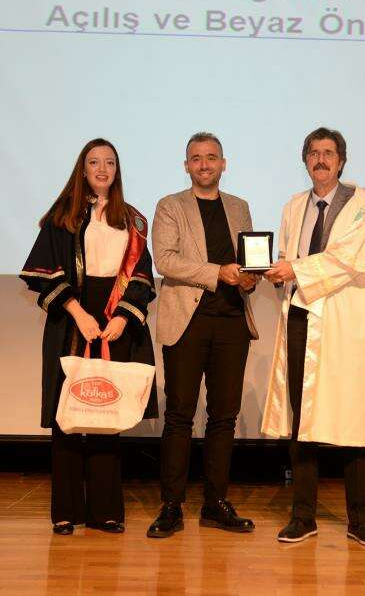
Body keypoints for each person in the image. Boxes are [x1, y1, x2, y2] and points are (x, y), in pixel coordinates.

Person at [263, 127, 365, 548]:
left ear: (341, 161)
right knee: (302, 420)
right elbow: (288, 256)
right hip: (302, 317)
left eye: (329, 153)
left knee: (353, 418)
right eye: (314, 153)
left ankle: (360, 519)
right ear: (305, 160)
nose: (321, 160)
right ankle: (303, 516)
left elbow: (350, 259)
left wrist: (295, 270)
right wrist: (276, 272)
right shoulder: (293, 206)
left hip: (346, 323)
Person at [20, 138, 158, 535]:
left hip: (114, 321)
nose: (102, 169)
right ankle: (66, 511)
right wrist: (78, 313)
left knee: (106, 414)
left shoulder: (132, 220)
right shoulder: (62, 216)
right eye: (94, 162)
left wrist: (124, 317)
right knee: (67, 414)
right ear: (82, 170)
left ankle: (105, 511)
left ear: (117, 170)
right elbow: (43, 273)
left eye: (109, 162)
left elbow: (142, 277)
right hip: (72, 319)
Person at [146, 132, 260, 538]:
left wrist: (250, 279)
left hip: (232, 321)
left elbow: (248, 262)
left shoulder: (240, 207)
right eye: (196, 158)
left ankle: (215, 503)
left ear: (223, 164)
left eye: (212, 157)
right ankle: (171, 506)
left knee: (223, 417)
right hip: (187, 322)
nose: (205, 164)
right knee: (179, 416)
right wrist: (219, 273)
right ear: (187, 166)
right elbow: (165, 261)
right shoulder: (170, 206)